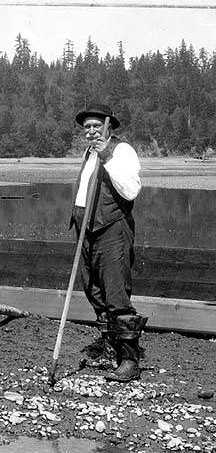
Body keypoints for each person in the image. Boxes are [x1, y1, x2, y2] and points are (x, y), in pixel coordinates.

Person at [71, 103, 145, 382]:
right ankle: (110, 348)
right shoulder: (89, 153)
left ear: (108, 126)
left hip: (112, 231)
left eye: (95, 126)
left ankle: (129, 360)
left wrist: (106, 156)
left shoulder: (121, 151)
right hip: (87, 232)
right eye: (86, 127)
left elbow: (130, 190)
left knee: (116, 296)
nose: (90, 131)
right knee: (94, 292)